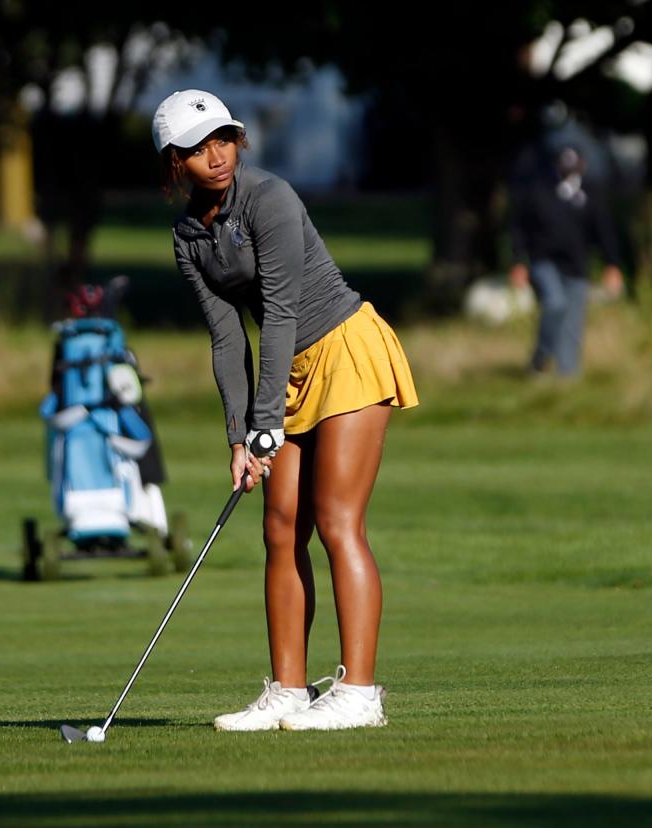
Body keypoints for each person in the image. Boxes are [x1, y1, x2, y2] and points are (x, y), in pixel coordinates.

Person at [152, 89, 419, 731]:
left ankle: (359, 694)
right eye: (196, 148)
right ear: (174, 161)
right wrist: (240, 438)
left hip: (346, 348)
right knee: (279, 528)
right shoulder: (189, 235)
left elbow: (281, 314)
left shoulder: (269, 197)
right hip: (288, 373)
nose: (215, 157)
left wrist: (265, 421)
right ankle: (288, 691)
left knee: (335, 520)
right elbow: (226, 339)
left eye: (223, 140)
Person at [509, 143, 625, 376]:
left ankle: (567, 377)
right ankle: (541, 356)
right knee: (555, 303)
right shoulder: (539, 191)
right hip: (544, 261)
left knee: (573, 324)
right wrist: (518, 261)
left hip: (577, 265)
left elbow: (604, 232)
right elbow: (520, 228)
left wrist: (612, 264)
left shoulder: (591, 195)